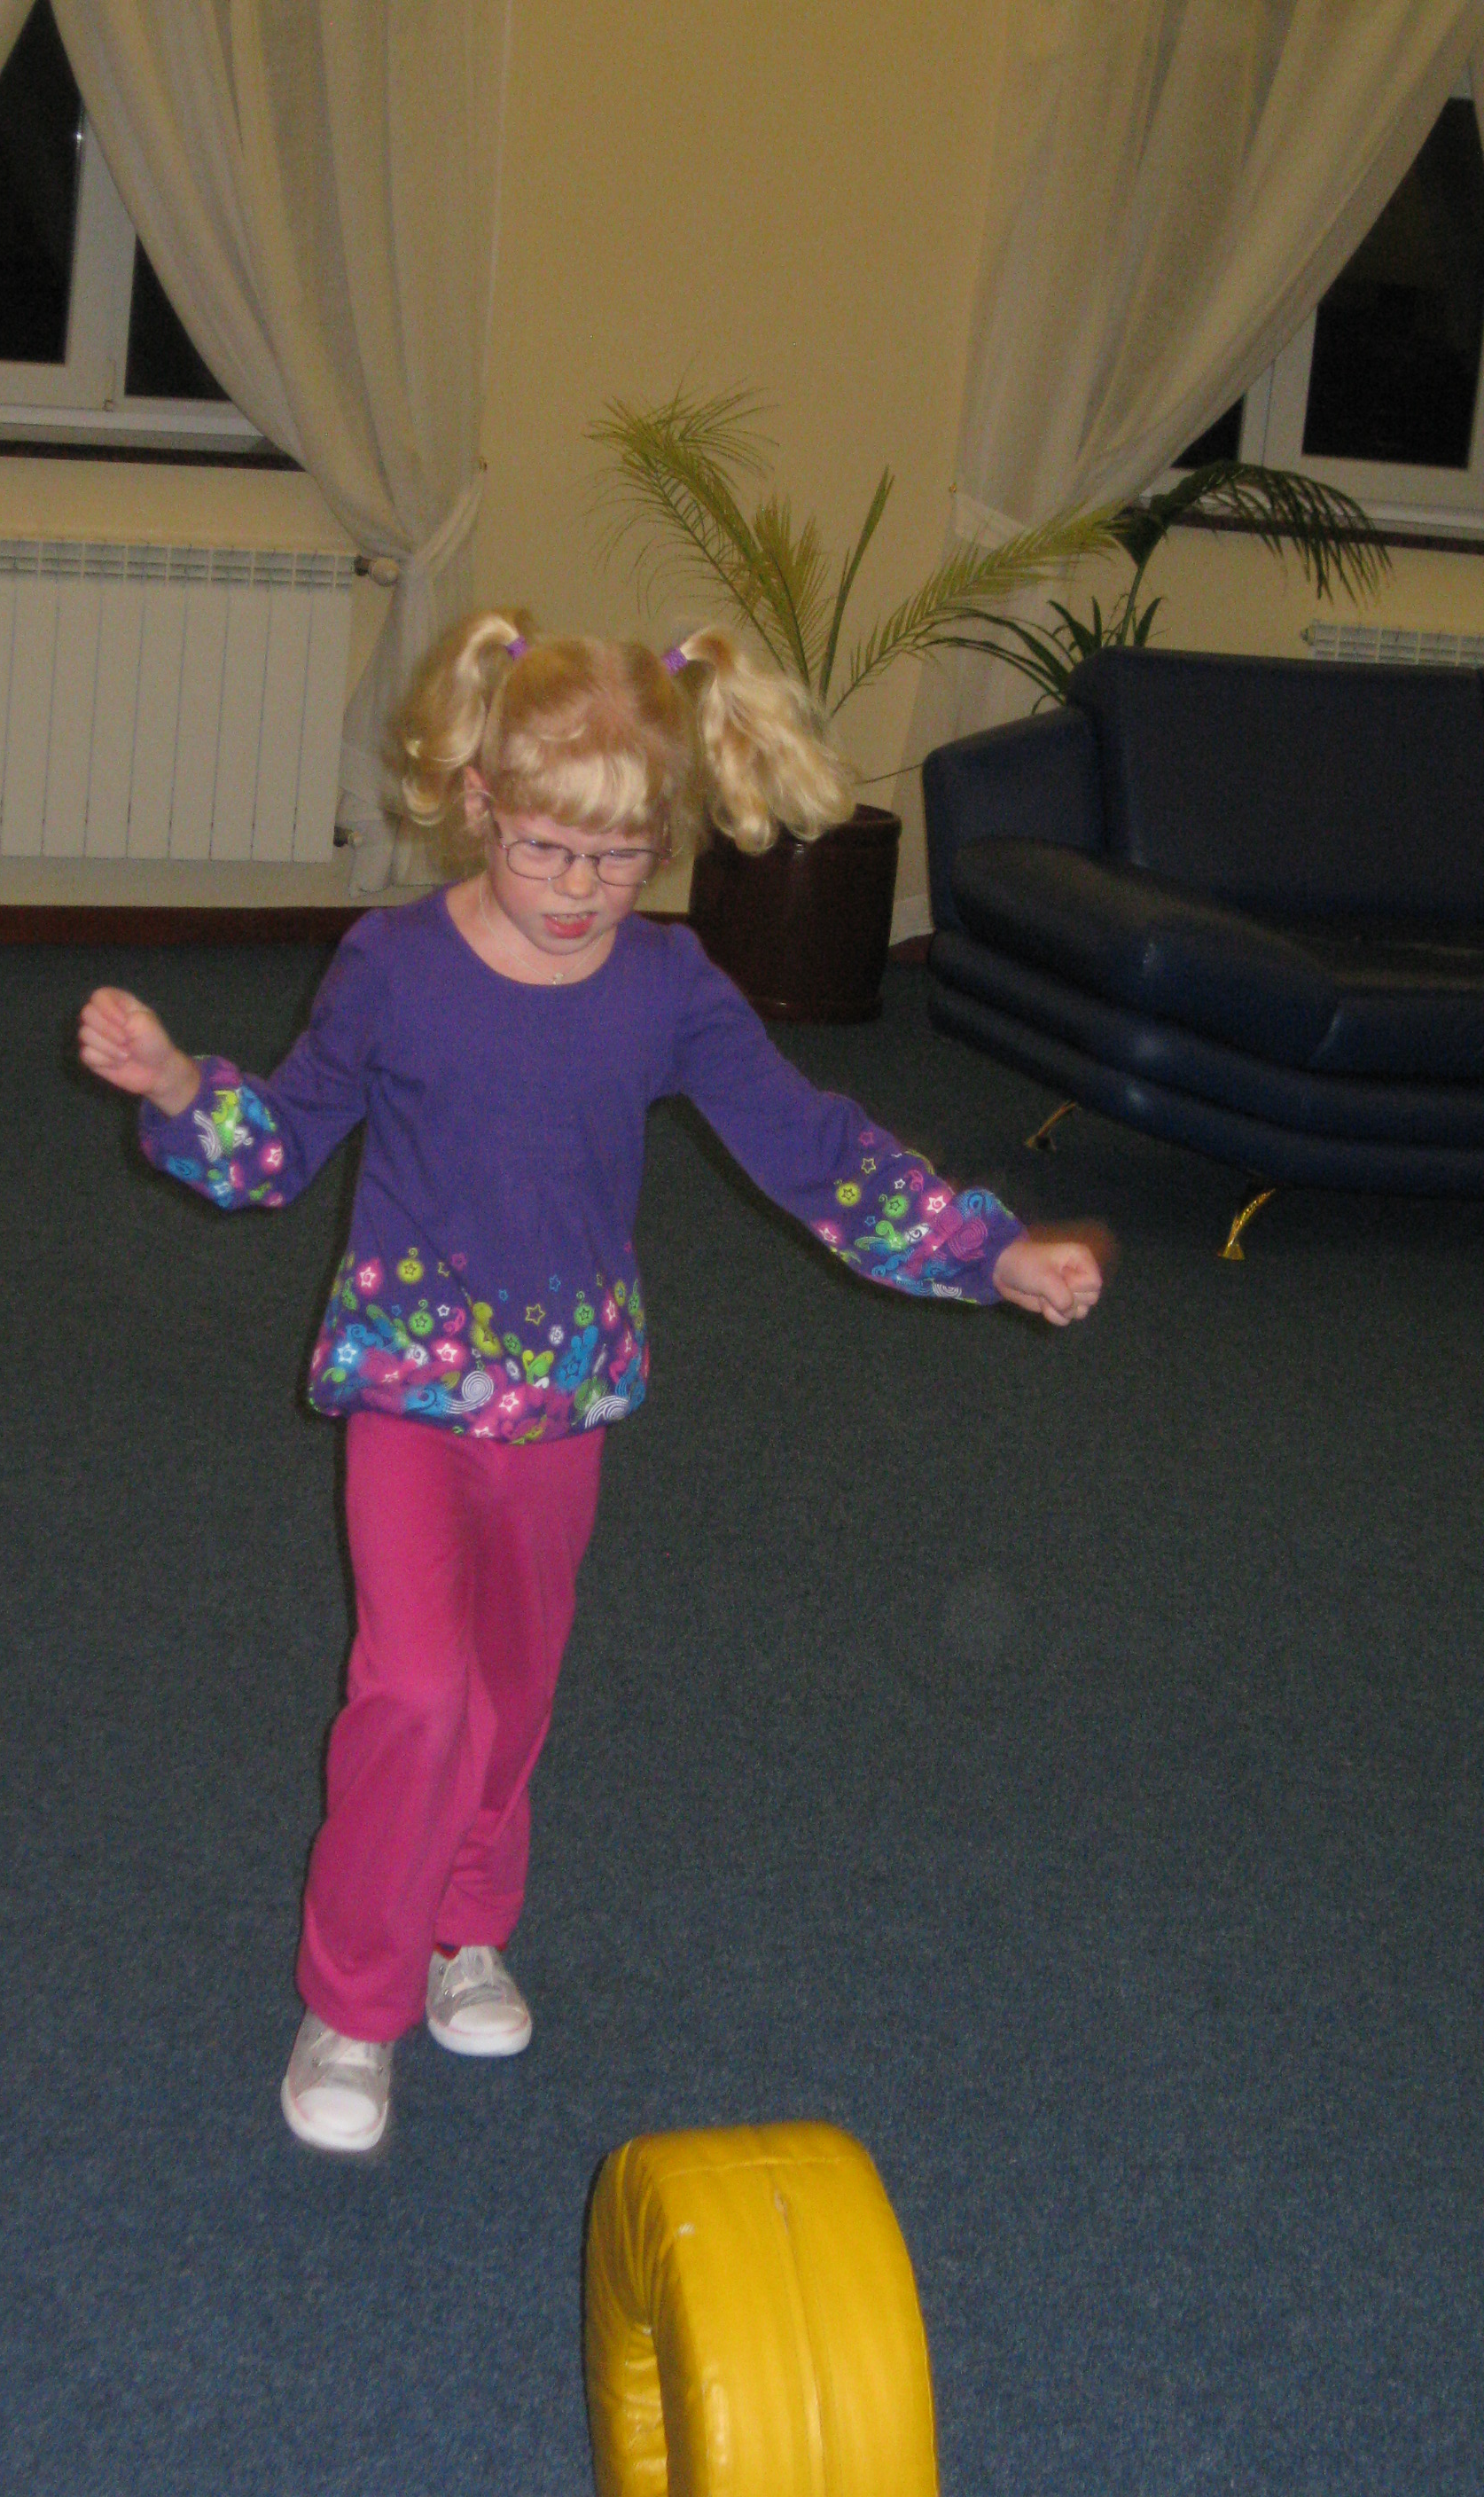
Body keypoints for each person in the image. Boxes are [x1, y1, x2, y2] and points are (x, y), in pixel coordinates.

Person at [77, 611, 1103, 2155]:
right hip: (411, 1391)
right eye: (547, 849)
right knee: (416, 1691)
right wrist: (175, 1086)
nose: (577, 892)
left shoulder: (669, 985)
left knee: (510, 1689)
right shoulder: (395, 967)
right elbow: (278, 1149)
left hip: (564, 1403)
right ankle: (353, 2002)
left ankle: (468, 1927)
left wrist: (990, 1250)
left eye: (619, 861)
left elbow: (812, 1148)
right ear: (480, 801)